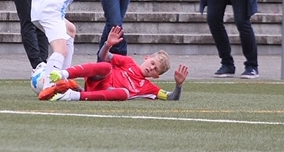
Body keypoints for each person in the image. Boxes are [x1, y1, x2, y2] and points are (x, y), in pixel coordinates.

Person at [41, 26, 188, 101]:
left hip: (106, 92)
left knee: (124, 93)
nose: (151, 68)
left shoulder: (149, 88)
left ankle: (72, 96)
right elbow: (103, 56)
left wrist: (178, 85)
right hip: (97, 80)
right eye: (152, 63)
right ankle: (63, 73)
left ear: (156, 76)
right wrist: (108, 45)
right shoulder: (128, 61)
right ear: (146, 58)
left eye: (156, 69)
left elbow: (172, 97)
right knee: (106, 66)